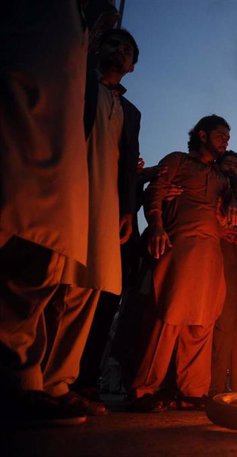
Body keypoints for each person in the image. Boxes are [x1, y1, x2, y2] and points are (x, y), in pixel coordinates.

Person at [0, 1, 90, 427]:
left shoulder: (72, 20)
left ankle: (23, 381)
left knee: (41, 260)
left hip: (60, 141)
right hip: (16, 116)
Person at [130, 115, 237, 412]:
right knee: (169, 315)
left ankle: (193, 391)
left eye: (227, 138)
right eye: (220, 135)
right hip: (180, 246)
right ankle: (145, 389)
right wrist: (156, 225)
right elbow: (156, 190)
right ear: (202, 135)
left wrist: (229, 217)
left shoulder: (221, 179)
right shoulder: (178, 160)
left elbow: (225, 212)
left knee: (202, 319)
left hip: (211, 253)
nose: (225, 142)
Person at [66, 27, 142, 413]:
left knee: (95, 288)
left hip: (108, 206)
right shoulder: (76, 82)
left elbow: (128, 165)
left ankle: (70, 381)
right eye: (114, 43)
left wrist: (127, 208)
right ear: (97, 46)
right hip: (68, 190)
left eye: (127, 50)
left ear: (132, 66)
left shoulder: (130, 111)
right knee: (58, 279)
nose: (119, 52)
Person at [210, 150, 237, 395]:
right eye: (228, 163)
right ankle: (182, 388)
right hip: (201, 265)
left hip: (229, 271)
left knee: (224, 333)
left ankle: (212, 391)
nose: (232, 168)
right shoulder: (207, 189)